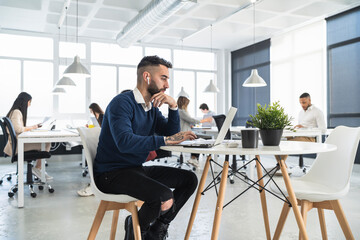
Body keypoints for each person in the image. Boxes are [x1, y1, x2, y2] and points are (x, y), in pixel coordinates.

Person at [94, 55, 198, 240]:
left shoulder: (151, 107)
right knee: (163, 197)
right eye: (163, 78)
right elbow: (125, 142)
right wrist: (166, 139)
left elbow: (171, 133)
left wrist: (173, 107)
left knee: (189, 179)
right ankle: (134, 232)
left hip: (135, 170)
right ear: (147, 77)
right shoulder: (122, 103)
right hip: (111, 174)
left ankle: (156, 230)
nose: (167, 85)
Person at [4, 92, 52, 180]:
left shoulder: (15, 111)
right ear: (25, 101)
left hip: (16, 144)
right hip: (18, 146)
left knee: (45, 143)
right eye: (29, 102)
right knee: (47, 143)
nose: (29, 105)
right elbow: (18, 129)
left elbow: (19, 128)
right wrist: (33, 127)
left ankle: (37, 168)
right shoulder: (16, 112)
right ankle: (37, 169)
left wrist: (34, 127)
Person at [77, 103, 105, 197]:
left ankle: (94, 186)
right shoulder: (95, 118)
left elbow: (102, 128)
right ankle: (94, 185)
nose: (90, 112)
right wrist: (90, 127)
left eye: (90, 110)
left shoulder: (102, 116)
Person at [178, 97, 212, 167]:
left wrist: (191, 125)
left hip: (185, 132)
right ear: (184, 104)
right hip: (183, 134)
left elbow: (187, 121)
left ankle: (194, 158)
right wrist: (205, 120)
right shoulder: (181, 111)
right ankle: (194, 158)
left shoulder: (180, 111)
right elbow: (192, 120)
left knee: (199, 138)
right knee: (199, 139)